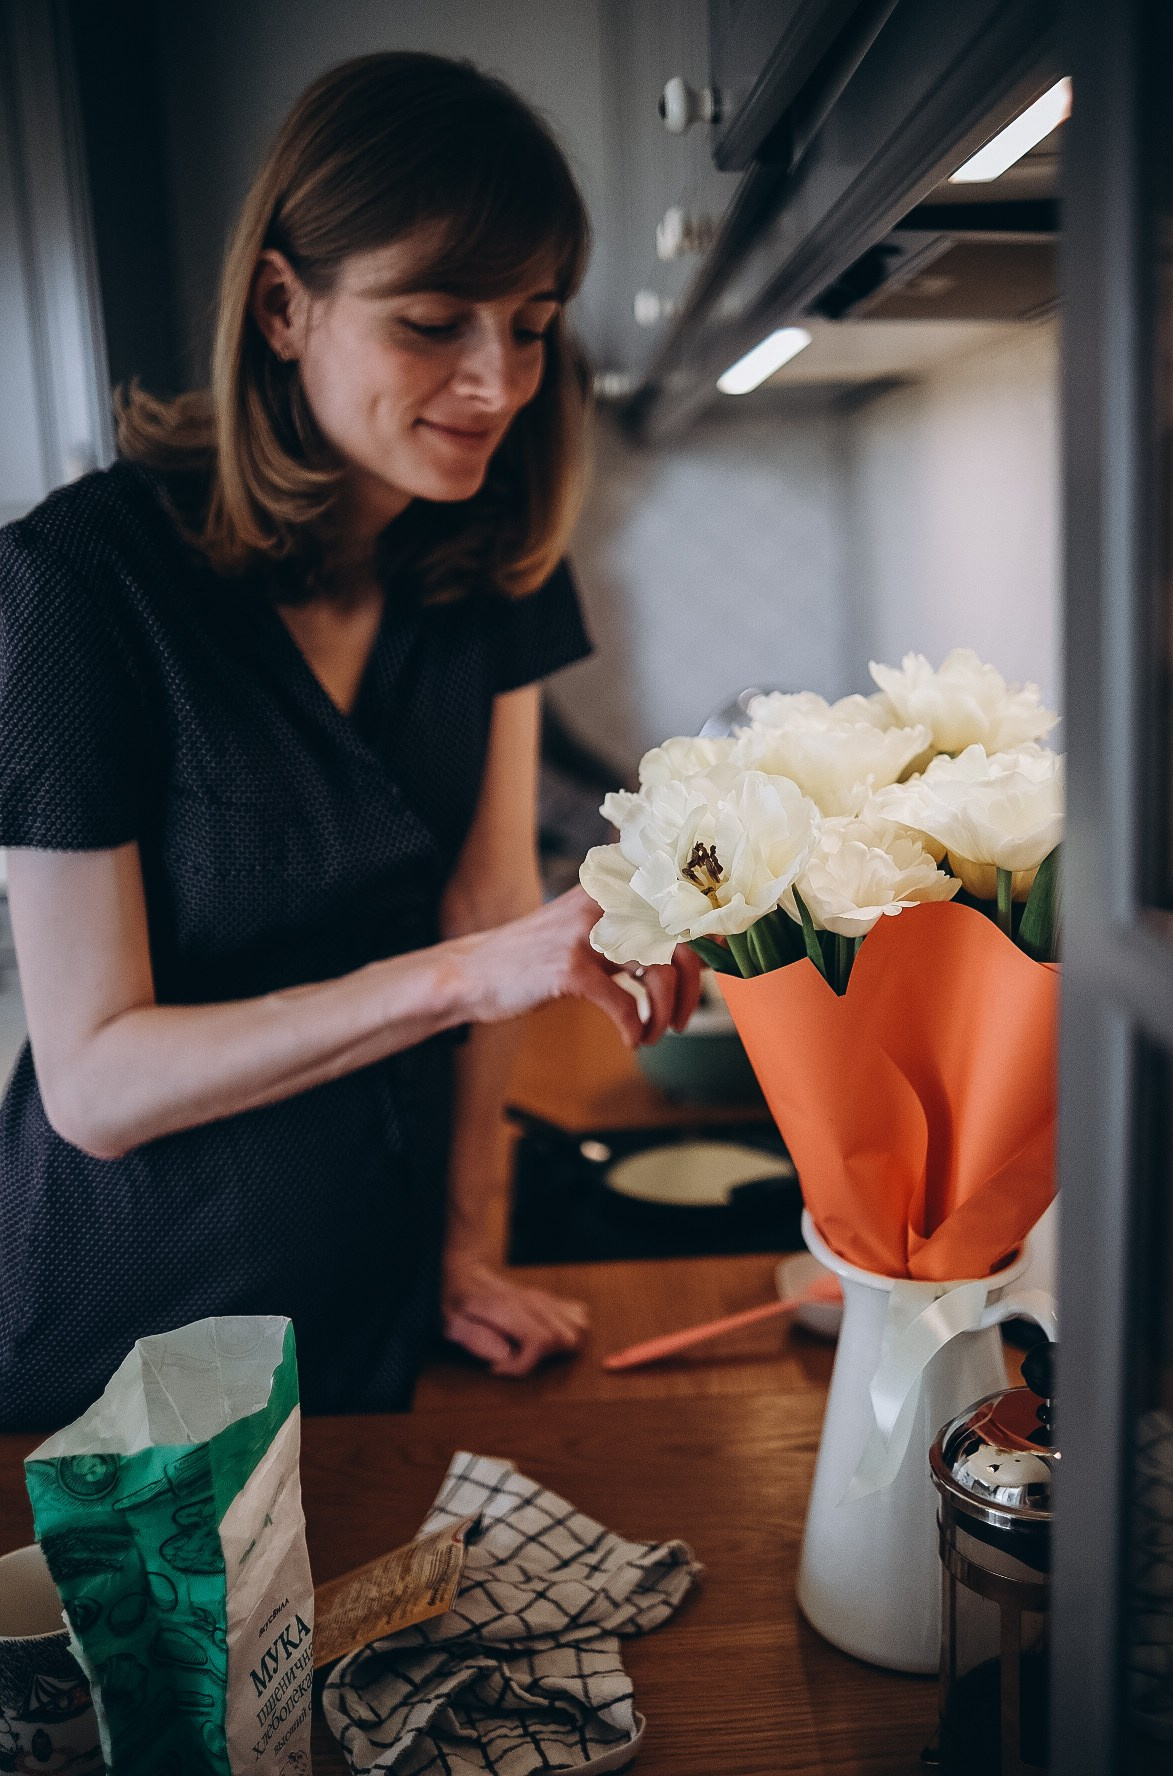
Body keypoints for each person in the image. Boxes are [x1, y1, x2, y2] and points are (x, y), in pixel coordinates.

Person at [0, 52, 699, 1431]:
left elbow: (492, 895)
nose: (495, 382)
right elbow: (96, 1080)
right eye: (434, 321)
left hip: (375, 1277)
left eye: (533, 321)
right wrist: (468, 977)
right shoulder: (79, 586)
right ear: (282, 306)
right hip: (134, 1321)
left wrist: (463, 1245)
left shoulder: (492, 557)